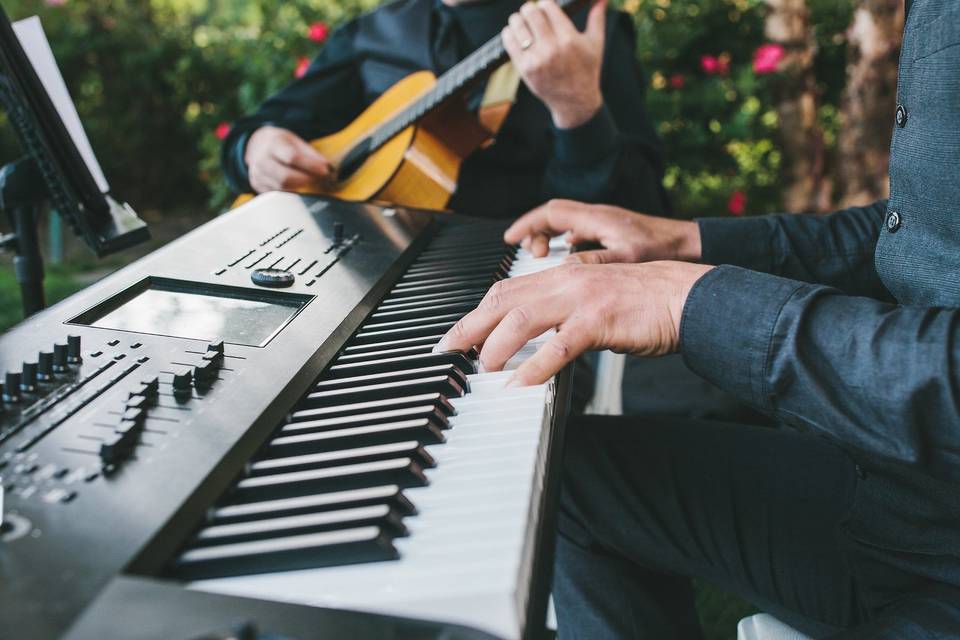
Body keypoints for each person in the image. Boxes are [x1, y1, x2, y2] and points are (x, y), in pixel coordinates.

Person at [435, 0, 960, 636]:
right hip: (903, 497)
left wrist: (690, 302)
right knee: (562, 485)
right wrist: (687, 242)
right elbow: (927, 231)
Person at [220, 0, 668, 219]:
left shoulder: (577, 28)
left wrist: (578, 110)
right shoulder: (373, 31)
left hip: (514, 302)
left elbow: (646, 220)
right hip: (355, 278)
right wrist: (255, 148)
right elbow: (258, 128)